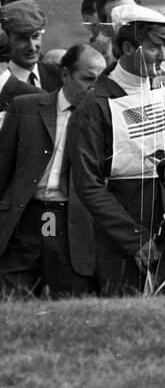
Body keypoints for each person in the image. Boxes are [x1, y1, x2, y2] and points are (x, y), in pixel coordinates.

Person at [67, 5, 165, 295]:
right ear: (127, 47)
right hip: (125, 239)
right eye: (154, 47)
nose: (164, 56)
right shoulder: (95, 105)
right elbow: (88, 185)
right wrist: (135, 239)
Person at [0, 44, 105, 297]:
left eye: (100, 81)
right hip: (24, 219)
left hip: (69, 224)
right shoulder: (25, 107)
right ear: (65, 74)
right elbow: (2, 170)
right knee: (11, 301)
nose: (94, 87)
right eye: (87, 79)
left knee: (65, 303)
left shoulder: (104, 120)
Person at [1, 0, 62, 92]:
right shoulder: (2, 81)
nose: (32, 47)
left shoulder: (59, 76)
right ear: (6, 38)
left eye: (35, 36)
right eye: (22, 38)